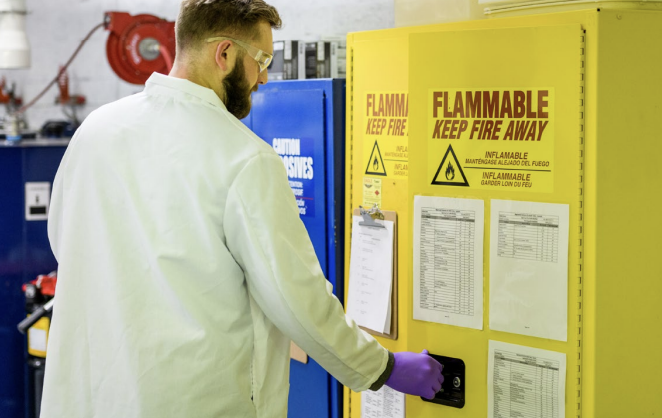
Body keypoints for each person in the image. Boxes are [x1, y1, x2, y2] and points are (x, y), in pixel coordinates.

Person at [41, 1, 443, 417]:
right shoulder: (245, 158)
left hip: (91, 397)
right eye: (262, 59)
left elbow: (65, 242)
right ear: (225, 54)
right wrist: (383, 367)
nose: (264, 77)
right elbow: (298, 302)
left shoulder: (95, 131)